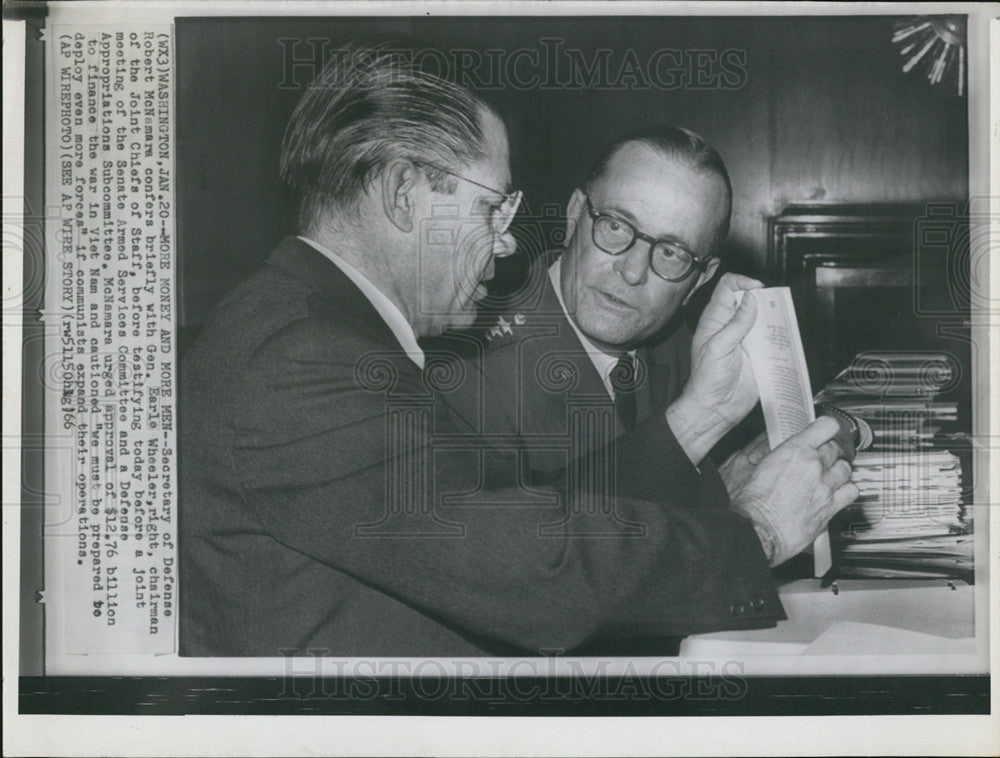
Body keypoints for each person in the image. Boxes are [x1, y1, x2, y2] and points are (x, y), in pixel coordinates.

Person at [179, 46, 855, 657]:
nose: (506, 244)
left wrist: (702, 425)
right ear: (403, 194)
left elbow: (518, 516)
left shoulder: (315, 328)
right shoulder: (306, 361)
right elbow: (540, 568)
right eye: (492, 210)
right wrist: (758, 532)